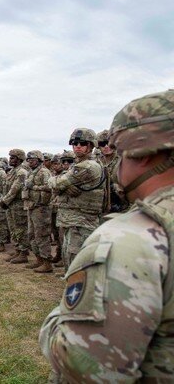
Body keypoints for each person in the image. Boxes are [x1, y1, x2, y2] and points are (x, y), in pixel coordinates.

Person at [40, 89, 174, 382]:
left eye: (119, 150)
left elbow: (84, 363)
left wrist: (55, 320)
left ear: (142, 154)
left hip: (81, 220)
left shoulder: (132, 239)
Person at [48, 128, 104, 271]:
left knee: (77, 262)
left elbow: (55, 183)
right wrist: (63, 185)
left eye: (82, 143)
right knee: (71, 258)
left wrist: (60, 184)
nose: (78, 146)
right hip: (74, 220)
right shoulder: (78, 165)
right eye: (74, 143)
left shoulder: (88, 166)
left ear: (91, 145)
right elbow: (58, 184)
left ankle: (79, 292)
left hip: (82, 220)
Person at [22, 150, 53, 272]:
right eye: (28, 160)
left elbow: (49, 187)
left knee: (42, 235)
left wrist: (34, 187)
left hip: (41, 208)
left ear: (39, 160)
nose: (30, 162)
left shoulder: (44, 172)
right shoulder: (32, 172)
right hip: (32, 206)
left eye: (32, 160)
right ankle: (39, 259)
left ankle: (47, 263)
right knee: (31, 234)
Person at [0, 149, 31, 262]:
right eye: (10, 157)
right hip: (11, 205)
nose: (10, 160)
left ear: (19, 159)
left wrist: (5, 201)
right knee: (13, 228)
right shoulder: (12, 171)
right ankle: (18, 249)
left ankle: (23, 253)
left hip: (18, 204)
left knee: (20, 229)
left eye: (13, 158)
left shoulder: (21, 172)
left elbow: (15, 189)